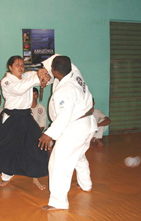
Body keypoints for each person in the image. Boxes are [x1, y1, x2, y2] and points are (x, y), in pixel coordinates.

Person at [0, 55, 51, 190]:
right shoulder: (6, 81)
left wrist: (45, 75)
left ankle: (35, 176)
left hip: (26, 116)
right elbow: (19, 89)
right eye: (17, 65)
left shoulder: (28, 76)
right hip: (11, 117)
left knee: (37, 144)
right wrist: (36, 77)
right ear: (10, 67)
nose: (21, 67)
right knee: (8, 147)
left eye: (22, 65)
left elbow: (45, 80)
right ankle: (6, 176)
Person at [38, 55, 97, 210]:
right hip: (88, 124)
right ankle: (86, 184)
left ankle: (58, 202)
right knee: (78, 156)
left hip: (75, 127)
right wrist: (46, 77)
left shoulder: (65, 90)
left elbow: (64, 116)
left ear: (54, 70)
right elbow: (58, 61)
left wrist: (49, 134)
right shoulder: (74, 72)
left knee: (58, 163)